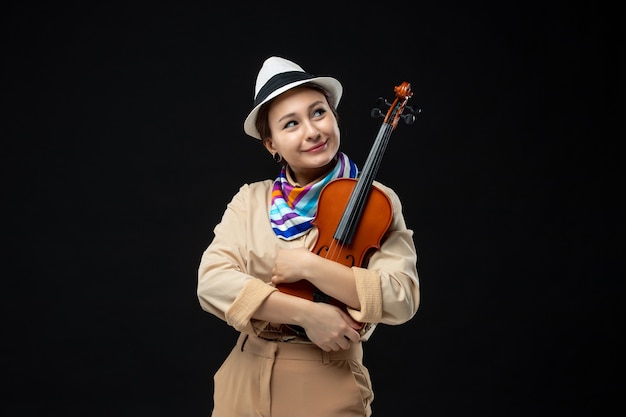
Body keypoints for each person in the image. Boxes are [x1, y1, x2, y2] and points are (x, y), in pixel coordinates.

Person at [197, 56, 420, 417]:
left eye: (318, 113)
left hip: (327, 380)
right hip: (244, 373)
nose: (312, 131)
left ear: (334, 116)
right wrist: (308, 314)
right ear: (271, 144)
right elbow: (212, 282)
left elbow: (401, 296)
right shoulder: (251, 200)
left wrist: (309, 266)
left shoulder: (377, 202)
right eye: (291, 124)